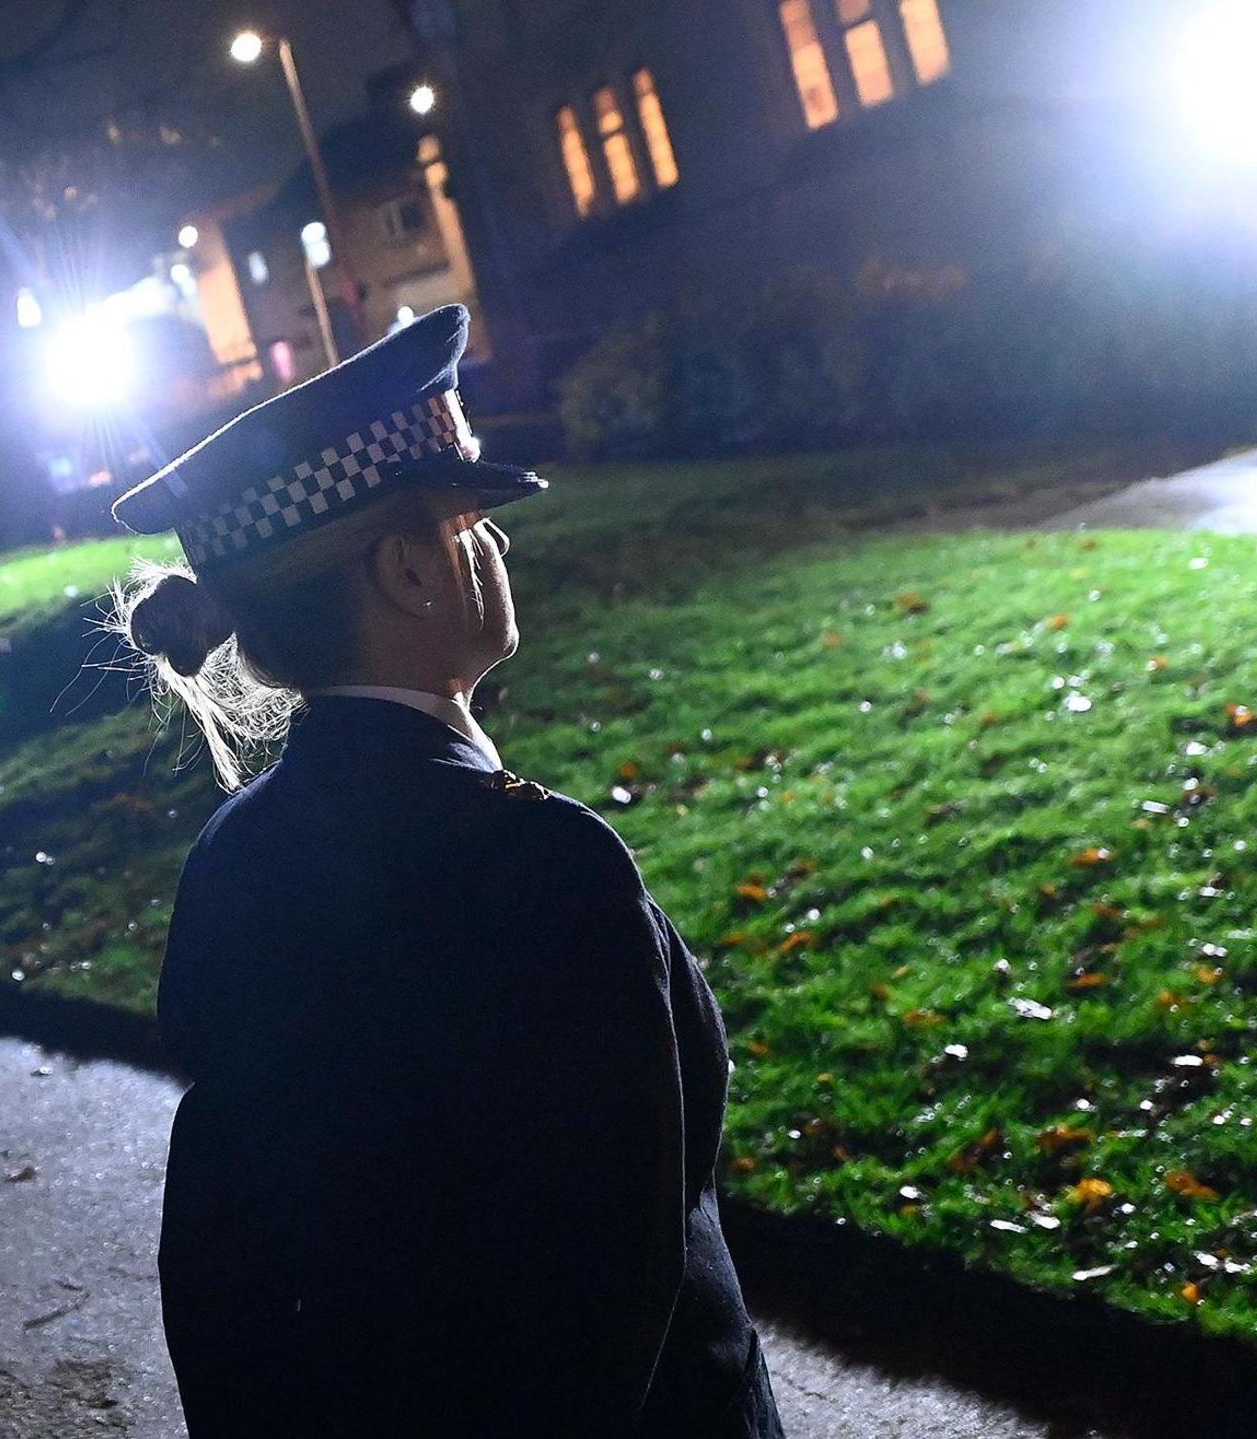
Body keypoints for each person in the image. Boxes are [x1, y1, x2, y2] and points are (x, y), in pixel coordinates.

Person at [107, 306, 785, 1437]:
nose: (497, 546)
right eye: (472, 519)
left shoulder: (236, 851)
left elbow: (225, 1243)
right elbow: (608, 1290)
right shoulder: (537, 862)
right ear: (408, 567)